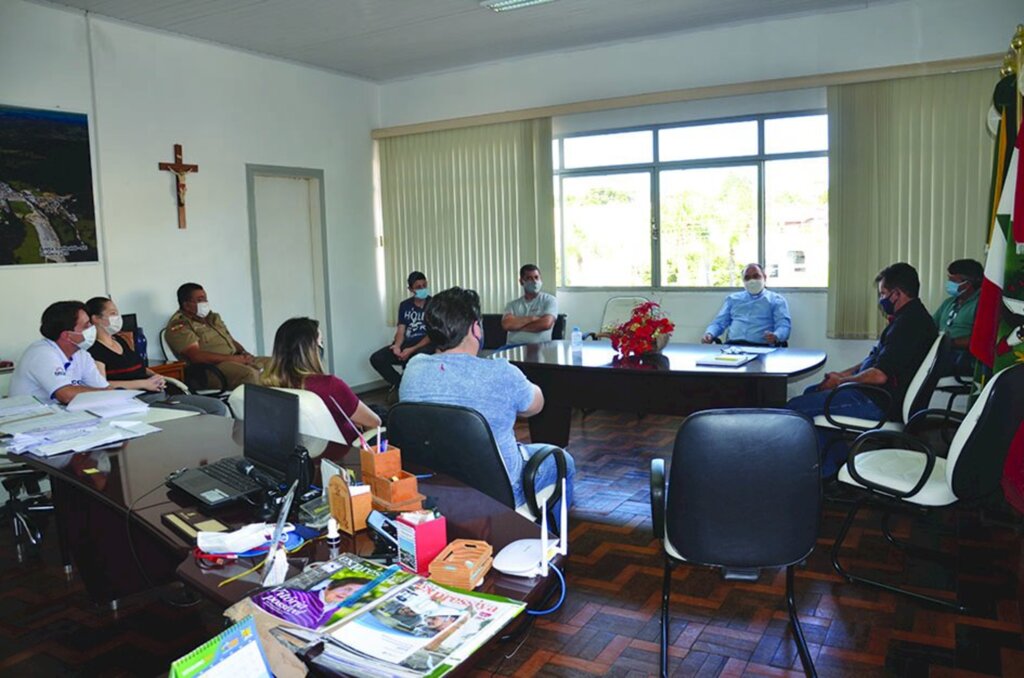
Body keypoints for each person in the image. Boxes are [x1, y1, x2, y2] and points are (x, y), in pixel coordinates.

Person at [400, 287, 575, 525]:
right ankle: (550, 548)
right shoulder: (501, 371)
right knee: (563, 460)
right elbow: (535, 406)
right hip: (499, 492)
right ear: (475, 328)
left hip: (435, 488)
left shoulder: (414, 368)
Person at [786, 262, 937, 476]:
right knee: (812, 393)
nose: (881, 299)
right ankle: (833, 463)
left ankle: (821, 471)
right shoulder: (909, 319)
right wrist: (843, 375)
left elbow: (879, 375)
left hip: (878, 402)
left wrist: (839, 383)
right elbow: (874, 360)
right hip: (875, 395)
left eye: (883, 293)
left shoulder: (909, 326)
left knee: (795, 409)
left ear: (897, 294)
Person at [85, 297, 227, 416]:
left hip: (158, 394)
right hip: (137, 401)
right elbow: (103, 385)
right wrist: (143, 384)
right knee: (198, 414)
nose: (118, 317)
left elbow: (141, 368)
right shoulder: (94, 350)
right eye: (112, 313)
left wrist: (157, 376)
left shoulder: (120, 340)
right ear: (96, 319)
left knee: (217, 406)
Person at [262, 317, 380, 444]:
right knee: (383, 415)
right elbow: (374, 423)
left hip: (297, 452)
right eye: (320, 342)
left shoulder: (268, 384)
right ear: (312, 350)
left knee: (374, 409)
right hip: (343, 455)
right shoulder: (330, 386)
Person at [164, 283, 270, 390]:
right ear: (186, 305)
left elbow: (231, 340)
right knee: (250, 374)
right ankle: (259, 405)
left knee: (278, 364)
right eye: (200, 300)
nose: (205, 303)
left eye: (205, 299)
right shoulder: (180, 325)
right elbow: (196, 356)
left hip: (235, 359)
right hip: (212, 370)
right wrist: (235, 359)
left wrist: (244, 353)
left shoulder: (213, 318)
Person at [10, 301, 109, 404]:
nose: (92, 328)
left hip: (60, 415)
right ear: (67, 335)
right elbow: (66, 395)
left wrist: (112, 392)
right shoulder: (41, 353)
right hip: (27, 417)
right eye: (86, 326)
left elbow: (103, 387)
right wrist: (106, 392)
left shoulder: (81, 354)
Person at [369, 271, 434, 388]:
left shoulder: (434, 304)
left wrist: (411, 350)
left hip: (424, 345)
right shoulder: (405, 305)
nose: (422, 289)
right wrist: (398, 346)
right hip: (406, 344)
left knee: (416, 358)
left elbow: (432, 334)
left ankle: (412, 389)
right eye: (418, 287)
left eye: (424, 285)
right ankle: (401, 385)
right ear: (410, 289)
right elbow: (400, 330)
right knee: (377, 358)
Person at [702, 263, 791, 345]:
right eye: (747, 278)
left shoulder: (776, 300)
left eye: (756, 276)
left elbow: (784, 326)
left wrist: (776, 336)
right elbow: (719, 323)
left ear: (764, 277)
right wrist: (710, 333)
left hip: (761, 348)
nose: (752, 281)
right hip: (733, 347)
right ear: (743, 281)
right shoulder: (733, 299)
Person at [932, 258, 983, 377]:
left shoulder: (982, 305)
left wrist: (948, 343)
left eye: (953, 280)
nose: (949, 284)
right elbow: (929, 327)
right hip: (940, 354)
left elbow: (980, 340)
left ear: (968, 283)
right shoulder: (948, 303)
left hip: (961, 359)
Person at [502, 264, 558, 345]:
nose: (534, 281)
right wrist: (532, 318)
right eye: (529, 278)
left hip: (539, 348)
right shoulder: (512, 305)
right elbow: (507, 325)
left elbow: (546, 324)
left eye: (536, 277)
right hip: (512, 347)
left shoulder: (550, 300)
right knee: (493, 357)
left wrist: (517, 326)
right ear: (521, 281)